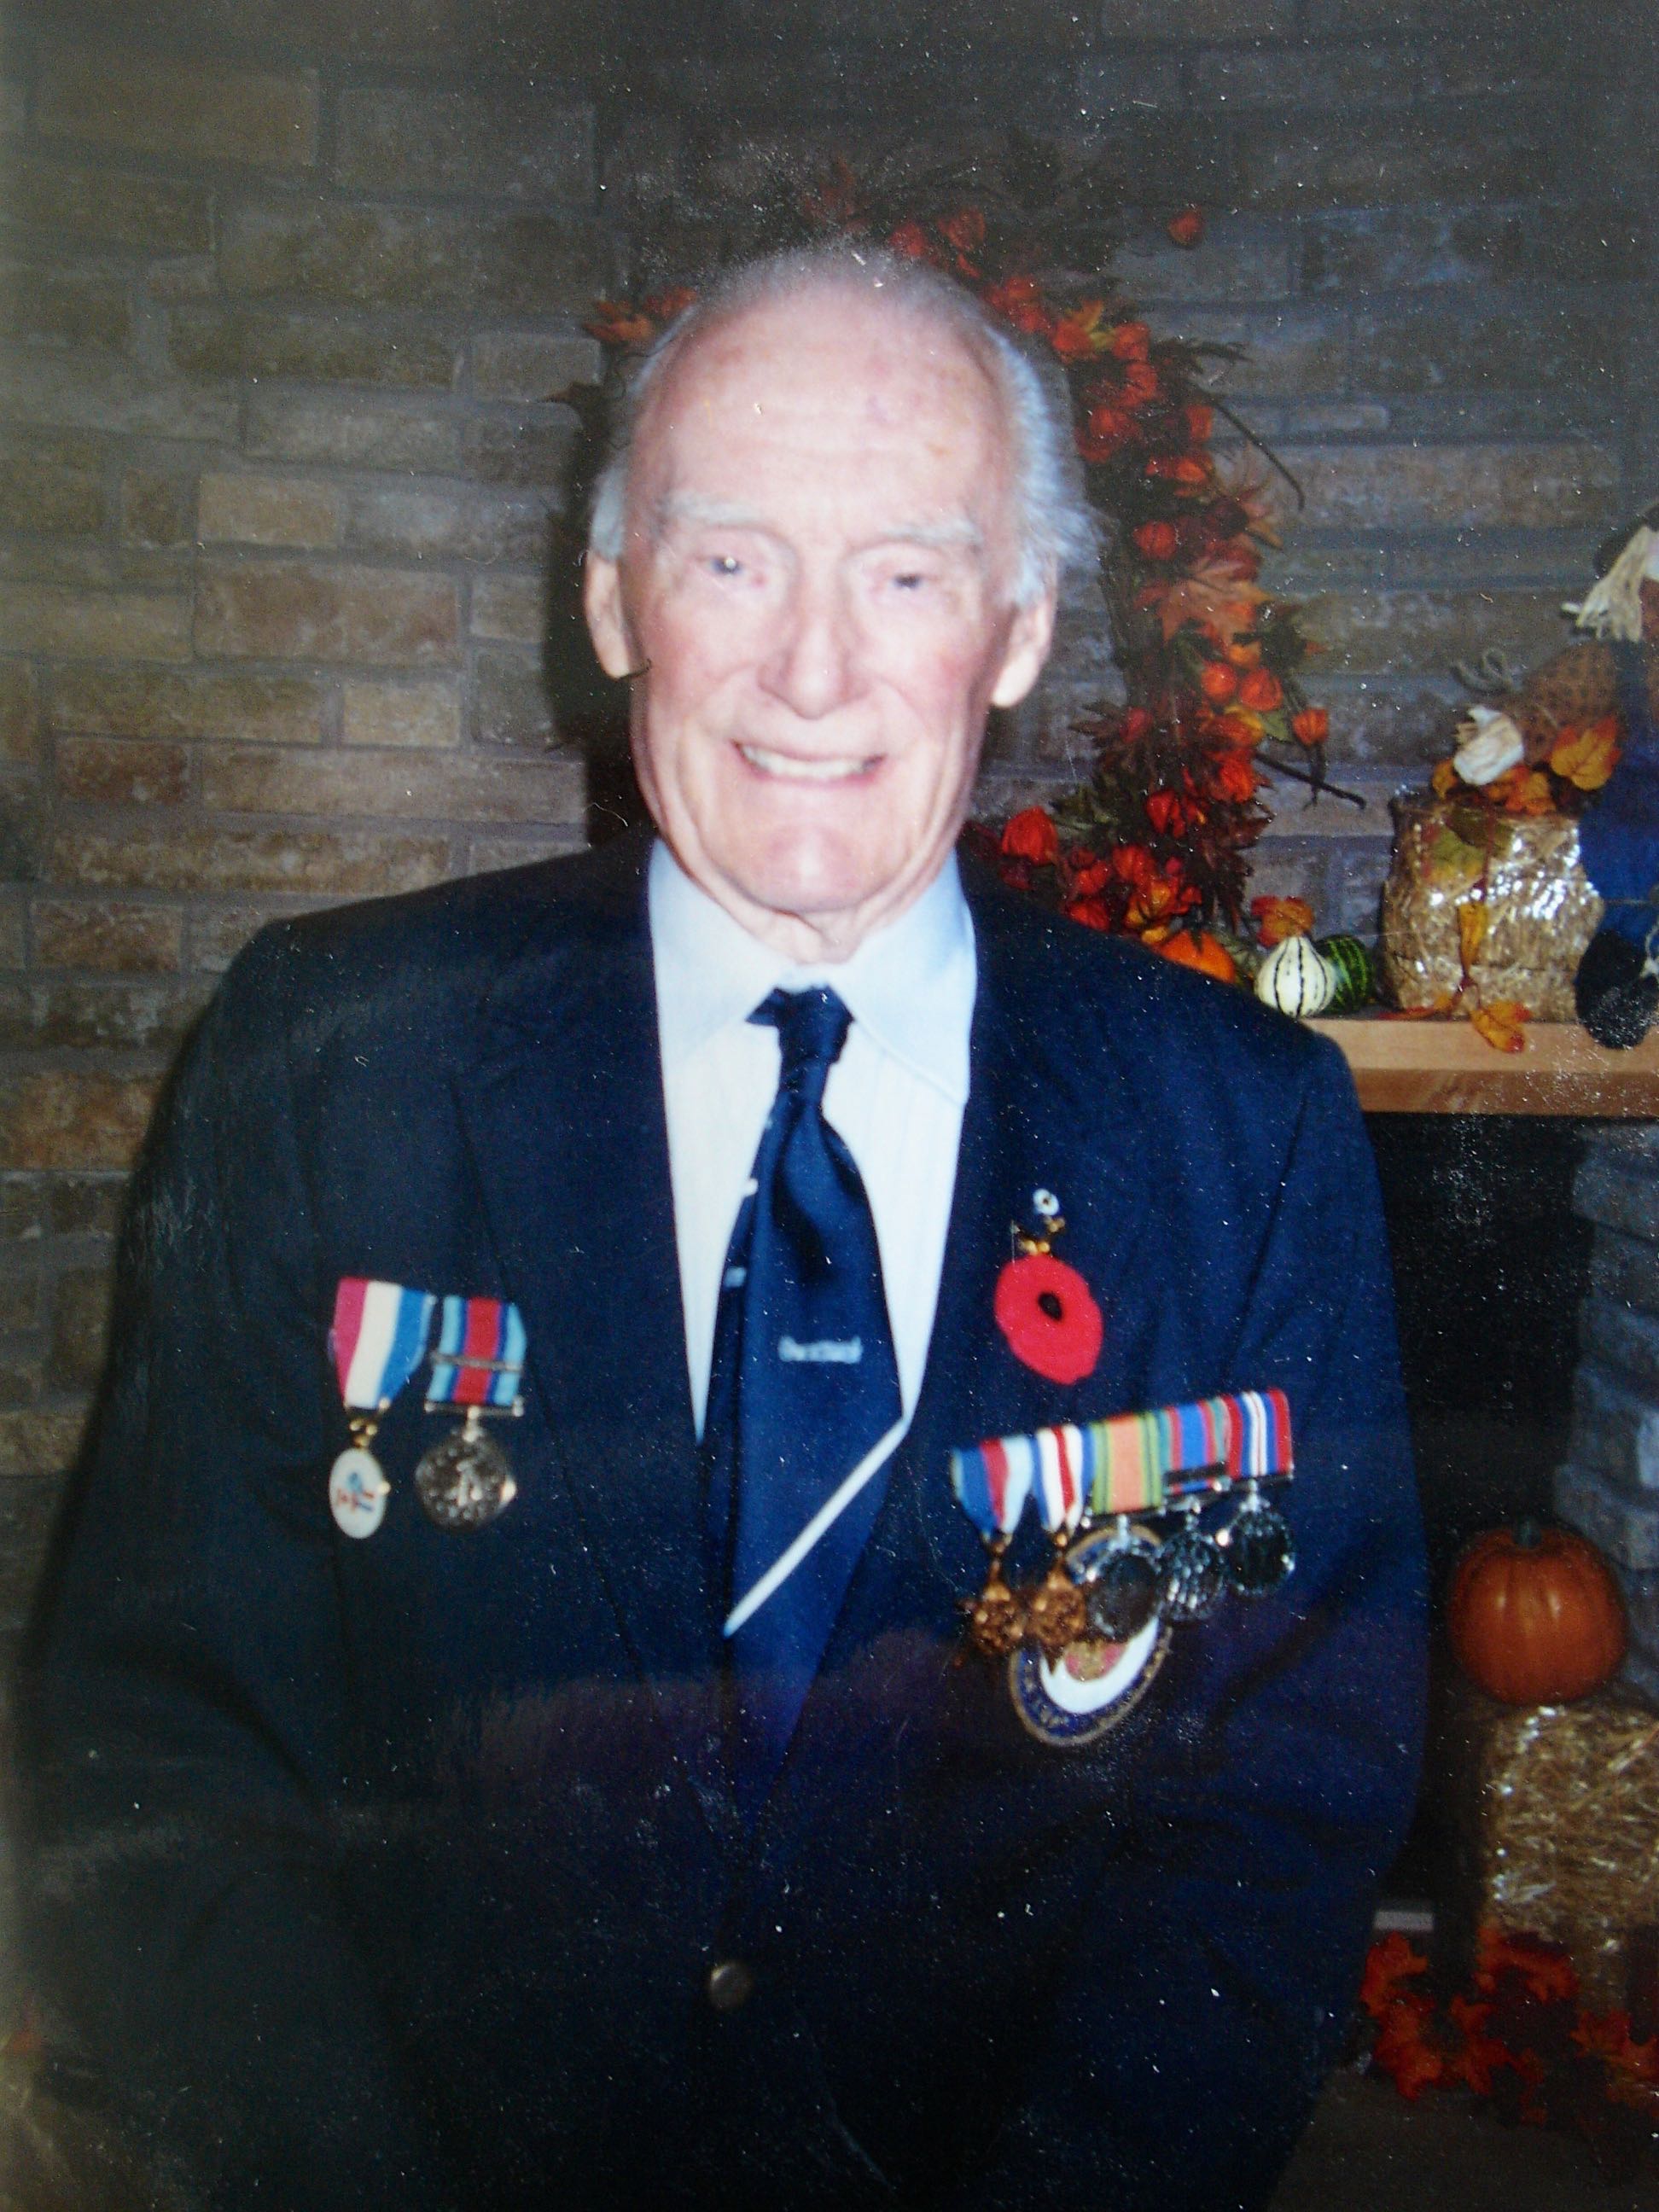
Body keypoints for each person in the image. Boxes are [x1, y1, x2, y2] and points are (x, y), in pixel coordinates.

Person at [19, 247, 1426, 2212]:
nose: (816, 674)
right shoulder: (325, 1058)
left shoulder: (1242, 1126)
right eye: (733, 560)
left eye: (910, 574)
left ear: (1017, 625)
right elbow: (162, 1745)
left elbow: (1287, 1793)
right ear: (611, 603)